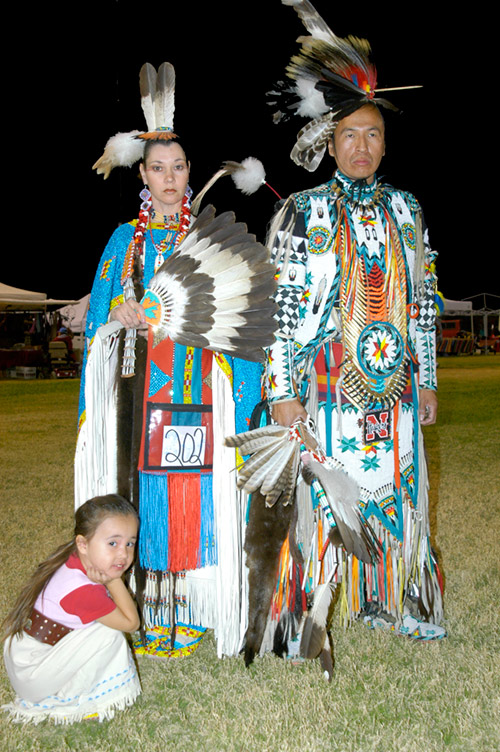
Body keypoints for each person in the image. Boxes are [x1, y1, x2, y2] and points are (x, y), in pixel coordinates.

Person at [243, 0, 445, 670]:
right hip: (324, 384)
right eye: (349, 135)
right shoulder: (302, 212)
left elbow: (420, 305)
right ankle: (310, 611)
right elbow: (278, 311)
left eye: (372, 135)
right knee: (328, 494)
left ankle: (392, 597)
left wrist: (431, 380)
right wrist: (280, 391)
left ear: (385, 144)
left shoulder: (408, 211)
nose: (361, 146)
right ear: (330, 143)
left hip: (393, 387)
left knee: (396, 486)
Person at [75, 63, 263, 659]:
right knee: (149, 496)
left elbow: (246, 326)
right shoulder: (122, 242)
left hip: (204, 394)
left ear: (190, 172)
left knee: (199, 496)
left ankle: (198, 605)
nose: (171, 177)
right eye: (159, 167)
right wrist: (120, 318)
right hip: (143, 396)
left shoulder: (207, 239)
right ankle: (154, 607)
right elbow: (100, 320)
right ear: (142, 174)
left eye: (179, 167)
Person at [2, 495, 141, 724]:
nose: (123, 554)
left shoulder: (75, 558)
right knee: (109, 634)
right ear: (83, 544)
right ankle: (79, 697)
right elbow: (132, 623)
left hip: (27, 658)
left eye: (130, 543)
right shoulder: (82, 591)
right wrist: (113, 580)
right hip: (34, 673)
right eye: (113, 543)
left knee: (102, 624)